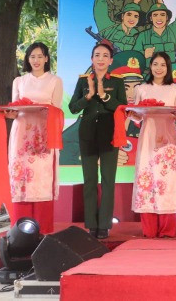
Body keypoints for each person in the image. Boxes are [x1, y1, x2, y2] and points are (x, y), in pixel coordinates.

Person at [4, 42, 63, 234]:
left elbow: (57, 111)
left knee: (41, 177)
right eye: (32, 57)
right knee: (20, 176)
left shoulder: (55, 81)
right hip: (21, 133)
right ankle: (20, 229)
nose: (36, 60)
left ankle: (42, 227)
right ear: (27, 59)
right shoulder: (19, 81)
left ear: (46, 59)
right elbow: (15, 109)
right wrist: (9, 114)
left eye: (40, 56)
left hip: (44, 133)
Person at [69, 43, 127, 239]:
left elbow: (122, 108)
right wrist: (88, 96)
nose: (100, 59)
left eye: (105, 55)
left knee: (108, 180)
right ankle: (91, 225)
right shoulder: (83, 81)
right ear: (92, 59)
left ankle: (104, 225)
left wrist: (104, 95)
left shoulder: (117, 82)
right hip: (87, 133)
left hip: (110, 134)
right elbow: (73, 107)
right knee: (90, 180)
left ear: (111, 60)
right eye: (97, 55)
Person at [130, 52, 176, 238]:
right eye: (155, 64)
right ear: (150, 67)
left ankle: (167, 229)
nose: (159, 68)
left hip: (168, 138)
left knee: (167, 181)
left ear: (168, 68)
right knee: (147, 178)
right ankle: (149, 229)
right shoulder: (141, 88)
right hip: (147, 137)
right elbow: (138, 117)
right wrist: (132, 114)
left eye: (163, 65)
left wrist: (175, 115)